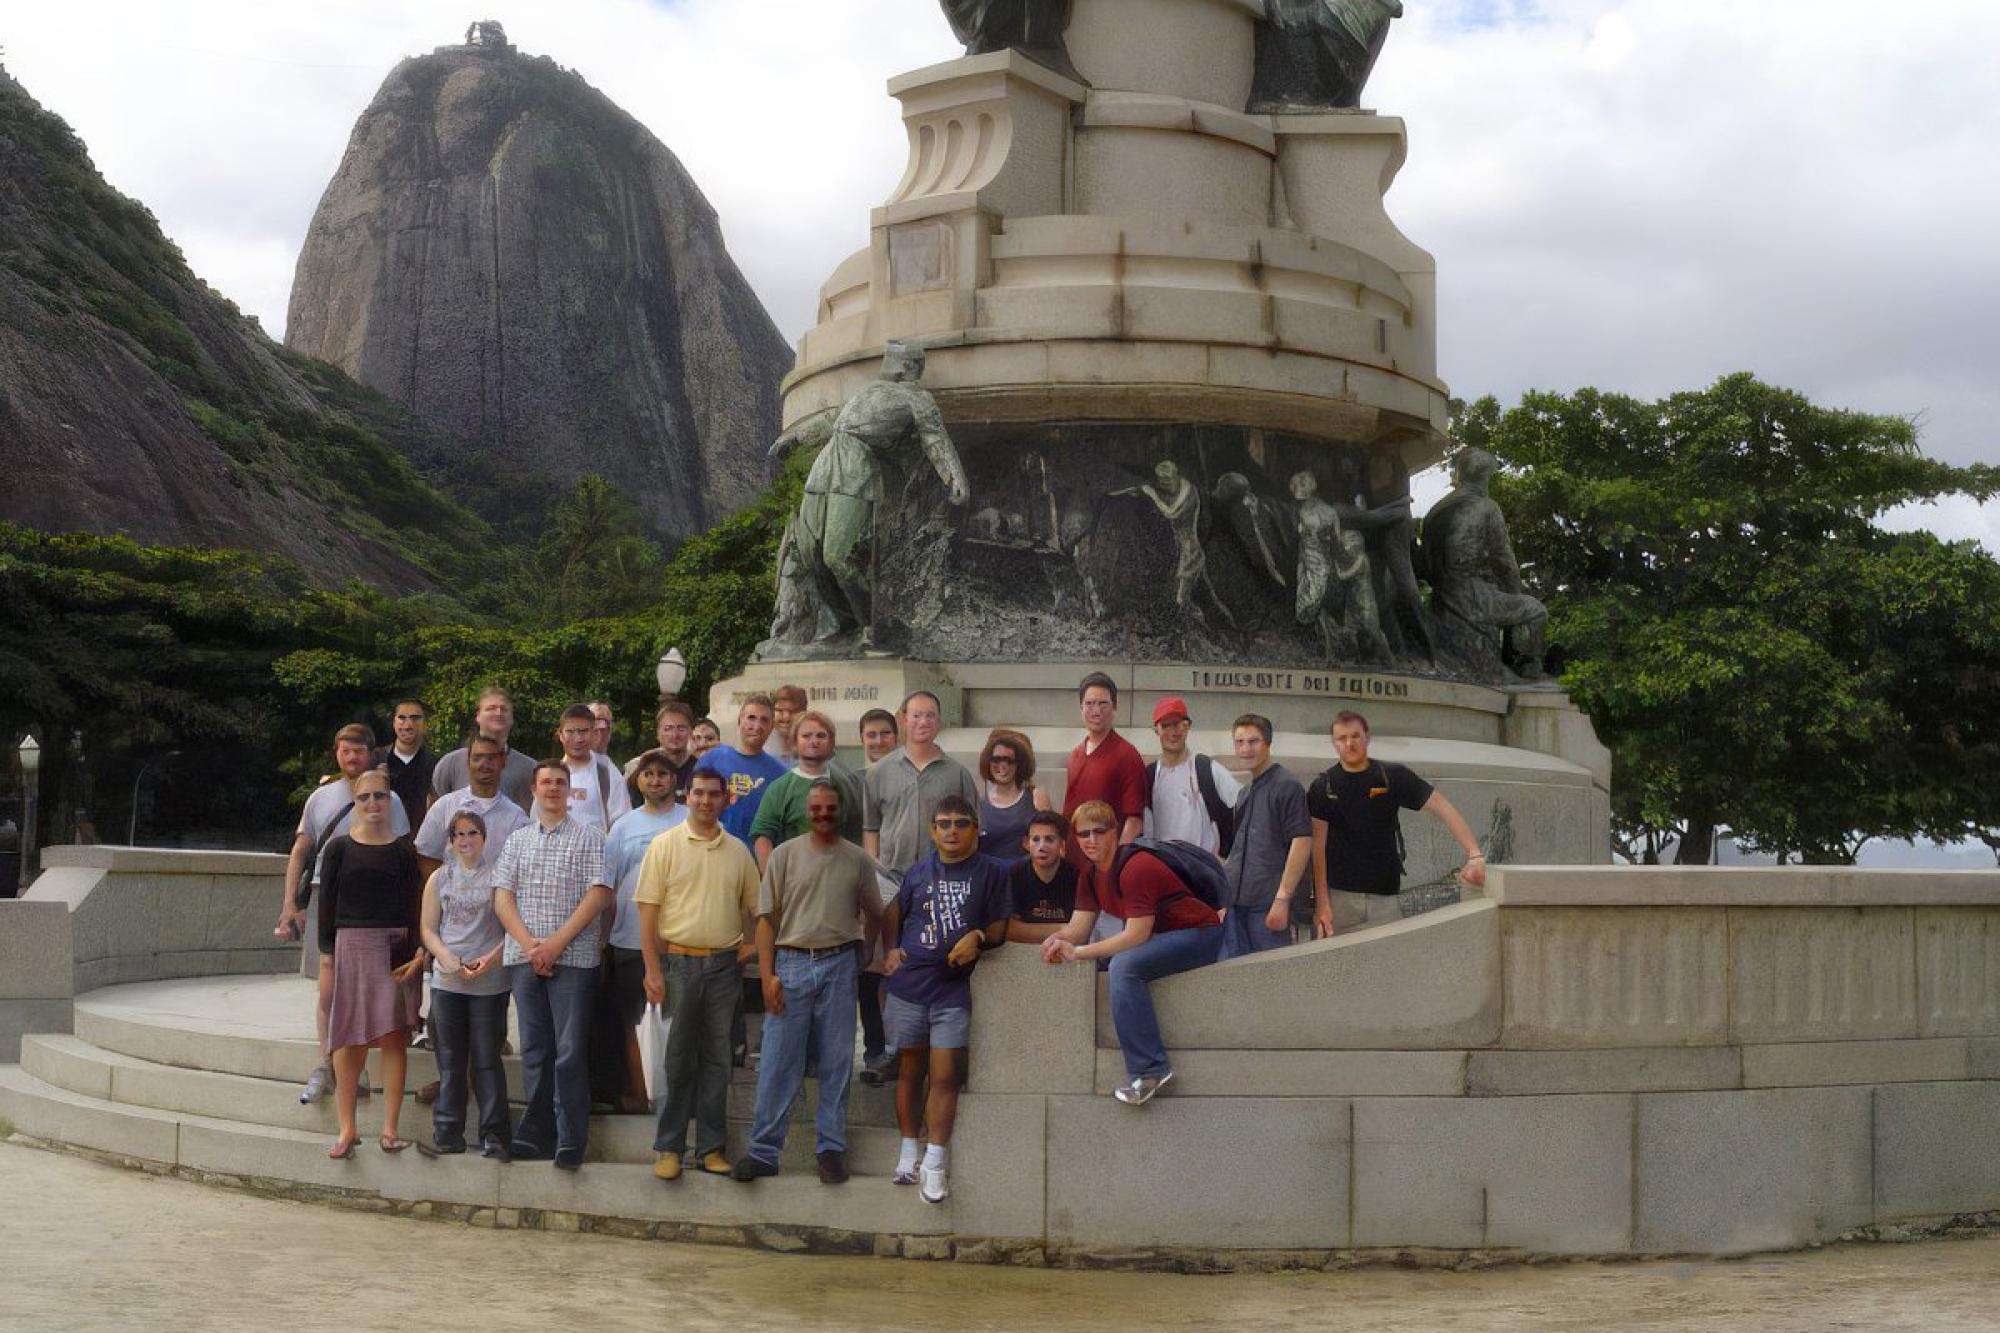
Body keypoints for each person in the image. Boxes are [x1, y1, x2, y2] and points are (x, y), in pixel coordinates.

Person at [731, 780, 882, 1184]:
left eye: (830, 807)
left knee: (836, 1062)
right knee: (779, 1061)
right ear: (805, 811)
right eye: (815, 808)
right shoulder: (782, 856)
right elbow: (766, 922)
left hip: (839, 964)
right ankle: (764, 1151)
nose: (823, 814)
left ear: (841, 811)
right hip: (792, 963)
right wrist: (767, 977)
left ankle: (830, 1149)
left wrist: (867, 950)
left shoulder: (857, 859)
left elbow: (876, 910)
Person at [1041, 800, 1223, 1106]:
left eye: (1100, 831)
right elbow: (1078, 928)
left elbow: (1136, 934)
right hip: (1163, 937)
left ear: (1115, 833)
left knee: (1123, 966)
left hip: (1199, 935)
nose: (1091, 840)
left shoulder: (1136, 867)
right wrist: (1056, 940)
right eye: (1083, 834)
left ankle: (1151, 1071)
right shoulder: (1090, 875)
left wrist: (1080, 953)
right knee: (1116, 964)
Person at [881, 795, 1010, 1203]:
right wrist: (890, 949)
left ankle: (935, 1161)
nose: (951, 830)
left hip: (951, 990)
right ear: (932, 831)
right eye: (943, 823)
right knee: (909, 1071)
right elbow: (894, 915)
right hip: (908, 988)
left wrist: (978, 937)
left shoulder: (992, 872)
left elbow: (1001, 927)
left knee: (945, 1076)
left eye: (960, 823)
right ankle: (907, 1152)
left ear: (975, 828)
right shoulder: (918, 871)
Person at [274, 723, 410, 1105]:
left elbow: (399, 853)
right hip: (329, 895)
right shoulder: (321, 797)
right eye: (345, 751)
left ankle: (359, 1065)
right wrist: (290, 902)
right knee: (329, 987)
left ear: (371, 753)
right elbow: (301, 850)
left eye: (359, 751)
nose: (352, 758)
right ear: (336, 753)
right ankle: (328, 1061)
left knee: (370, 990)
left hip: (375, 909)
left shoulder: (389, 799)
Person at [635, 766, 760, 1182]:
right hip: (678, 966)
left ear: (726, 799)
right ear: (687, 796)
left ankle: (711, 1148)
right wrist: (652, 969)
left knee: (718, 1060)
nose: (706, 801)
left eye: (714, 795)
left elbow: (755, 909)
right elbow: (648, 911)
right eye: (699, 794)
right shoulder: (664, 845)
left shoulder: (739, 851)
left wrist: (749, 947)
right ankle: (669, 1148)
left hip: (724, 968)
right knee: (677, 1060)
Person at [492, 760, 614, 1170]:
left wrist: (556, 944)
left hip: (574, 959)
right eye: (546, 782)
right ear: (533, 789)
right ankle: (535, 1133)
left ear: (571, 792)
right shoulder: (517, 841)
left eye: (561, 783)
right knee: (535, 1050)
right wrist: (531, 947)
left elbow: (598, 895)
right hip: (525, 959)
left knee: (569, 1051)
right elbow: (502, 898)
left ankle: (570, 1138)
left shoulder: (591, 838)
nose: (553, 789)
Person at [862, 691, 977, 1085]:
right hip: (892, 879)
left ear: (938, 722)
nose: (923, 722)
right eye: (916, 715)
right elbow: (871, 826)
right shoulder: (879, 772)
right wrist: (876, 870)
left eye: (930, 715)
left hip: (939, 881)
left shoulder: (957, 773)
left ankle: (931, 1049)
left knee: (931, 960)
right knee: (885, 964)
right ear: (903, 720)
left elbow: (971, 828)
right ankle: (887, 1048)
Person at [317, 769, 426, 1158]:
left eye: (380, 796)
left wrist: (417, 951)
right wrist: (326, 952)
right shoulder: (339, 849)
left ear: (390, 800)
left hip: (394, 949)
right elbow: (326, 904)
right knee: (348, 1038)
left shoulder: (403, 850)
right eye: (365, 798)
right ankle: (347, 1129)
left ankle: (390, 1129)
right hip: (350, 945)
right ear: (355, 803)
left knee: (393, 1037)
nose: (373, 804)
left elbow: (416, 905)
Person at [1308, 711, 1488, 931]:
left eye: (1355, 736)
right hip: (1341, 899)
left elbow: (1441, 805)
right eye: (1342, 738)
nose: (1349, 743)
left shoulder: (1393, 776)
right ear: (1333, 743)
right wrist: (1322, 903)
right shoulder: (1322, 787)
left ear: (1367, 736)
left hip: (1386, 896)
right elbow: (1317, 847)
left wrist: (1474, 853)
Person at [593, 749, 689, 1115]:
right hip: (628, 940)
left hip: (680, 940)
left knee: (677, 1023)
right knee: (634, 1023)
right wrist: (603, 939)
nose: (655, 780)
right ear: (639, 781)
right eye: (647, 774)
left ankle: (675, 1097)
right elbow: (607, 886)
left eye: (662, 774)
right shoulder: (623, 826)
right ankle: (639, 1093)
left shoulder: (689, 820)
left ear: (674, 780)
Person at [417, 809, 511, 1157]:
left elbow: (511, 926)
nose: (466, 840)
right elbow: (428, 928)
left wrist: (491, 959)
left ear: (484, 838)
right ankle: (447, 1130)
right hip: (449, 981)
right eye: (459, 834)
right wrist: (447, 958)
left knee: (487, 1058)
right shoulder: (439, 879)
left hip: (490, 981)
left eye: (473, 833)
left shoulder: (499, 877)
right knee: (450, 1059)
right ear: (451, 840)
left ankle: (495, 1134)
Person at [1223, 714, 1314, 957]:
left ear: (1268, 744)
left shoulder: (1286, 786)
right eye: (1239, 742)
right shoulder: (1244, 793)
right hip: (1237, 905)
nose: (1245, 749)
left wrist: (1282, 900)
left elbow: (1302, 842)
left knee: (1272, 982)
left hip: (1267, 905)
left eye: (1253, 742)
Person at [750, 710, 863, 868]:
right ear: (795, 743)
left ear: (831, 743)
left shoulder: (846, 784)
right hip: (794, 880)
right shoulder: (780, 788)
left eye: (821, 736)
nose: (814, 741)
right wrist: (774, 882)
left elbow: (857, 836)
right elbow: (762, 839)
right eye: (806, 736)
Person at [413, 735, 529, 878]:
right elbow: (426, 856)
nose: (484, 764)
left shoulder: (516, 818)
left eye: (491, 758)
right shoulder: (444, 806)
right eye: (477, 758)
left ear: (503, 762)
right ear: (468, 762)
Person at [1063, 672, 1147, 866]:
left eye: (1103, 703)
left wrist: (1117, 863)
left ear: (1114, 707)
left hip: (1106, 864)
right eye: (1090, 703)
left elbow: (1134, 821)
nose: (1096, 711)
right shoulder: (1075, 754)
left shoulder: (1127, 755)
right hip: (1074, 862)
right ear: (1081, 708)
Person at [1143, 696, 1240, 856]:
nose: (1173, 732)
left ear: (1188, 727)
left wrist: (1226, 858)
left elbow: (1243, 809)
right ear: (1156, 730)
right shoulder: (1150, 775)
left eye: (1179, 724)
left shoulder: (1207, 769)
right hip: (1164, 868)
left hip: (1203, 871)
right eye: (1166, 725)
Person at [431, 687, 538, 809]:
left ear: (512, 719)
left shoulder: (530, 769)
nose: (498, 713)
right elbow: (437, 811)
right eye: (491, 708)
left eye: (504, 709)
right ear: (478, 716)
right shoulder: (451, 764)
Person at [703, 695, 789, 845]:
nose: (756, 726)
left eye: (764, 720)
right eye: (751, 718)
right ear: (739, 721)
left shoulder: (781, 774)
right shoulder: (713, 760)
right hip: (714, 851)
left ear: (771, 727)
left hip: (757, 859)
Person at [555, 703, 632, 833]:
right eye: (570, 731)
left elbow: (622, 825)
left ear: (592, 734)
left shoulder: (608, 775)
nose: (578, 739)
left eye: (583, 731)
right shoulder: (549, 775)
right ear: (560, 735)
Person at [975, 728, 1050, 861]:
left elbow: (1050, 838)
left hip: (1025, 875)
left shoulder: (1035, 797)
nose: (1003, 766)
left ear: (1019, 764)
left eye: (1009, 760)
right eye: (996, 760)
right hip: (991, 877)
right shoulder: (978, 805)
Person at [1007, 810, 1078, 945]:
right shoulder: (1014, 874)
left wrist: (1028, 931)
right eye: (1036, 839)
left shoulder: (1077, 876)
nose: (1041, 847)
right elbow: (1009, 930)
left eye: (1049, 839)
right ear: (1026, 844)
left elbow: (1082, 931)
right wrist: (1065, 929)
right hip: (1022, 950)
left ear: (1062, 845)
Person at [373, 699, 436, 826]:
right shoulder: (374, 760)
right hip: (380, 838)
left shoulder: (436, 766)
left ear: (426, 724)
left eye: (415, 718)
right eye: (402, 718)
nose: (407, 725)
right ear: (394, 722)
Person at [625, 700, 699, 801]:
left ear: (691, 732)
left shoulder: (700, 769)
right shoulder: (640, 769)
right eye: (668, 728)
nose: (674, 735)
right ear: (658, 733)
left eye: (681, 728)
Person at [770, 684, 808, 765]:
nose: (786, 717)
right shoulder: (760, 748)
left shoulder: (817, 751)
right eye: (780, 710)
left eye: (793, 711)